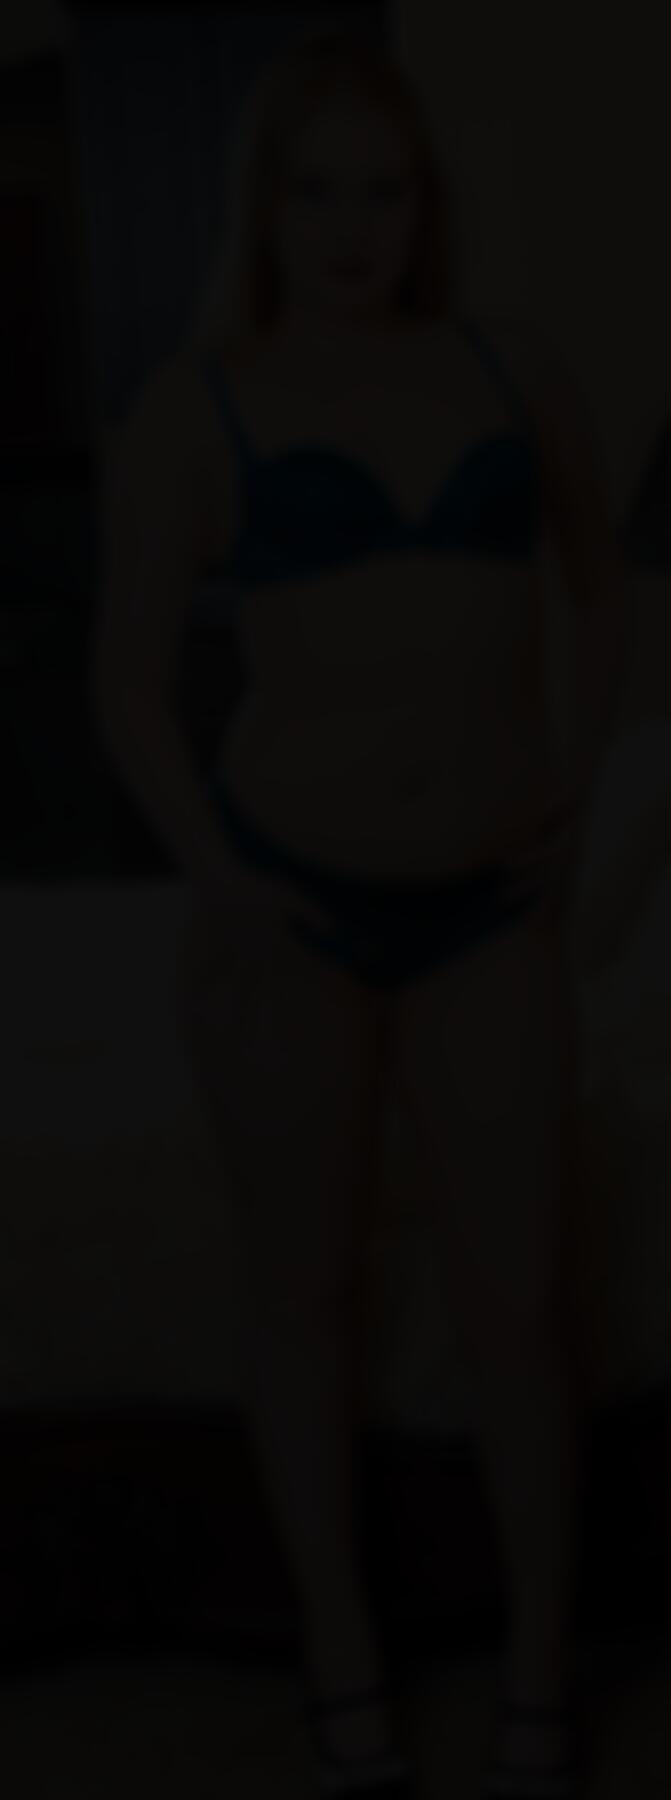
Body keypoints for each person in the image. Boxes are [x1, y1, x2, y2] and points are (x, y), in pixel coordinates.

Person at [91, 29, 631, 1799]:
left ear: (426, 203)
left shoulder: (509, 366)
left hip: (484, 912)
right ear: (265, 205)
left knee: (519, 1308)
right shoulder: (202, 403)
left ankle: (538, 1683)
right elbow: (125, 681)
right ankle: (344, 1671)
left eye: (382, 190)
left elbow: (599, 585)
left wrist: (581, 776)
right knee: (305, 1297)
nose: (350, 227)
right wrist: (214, 865)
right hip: (288, 911)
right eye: (315, 190)